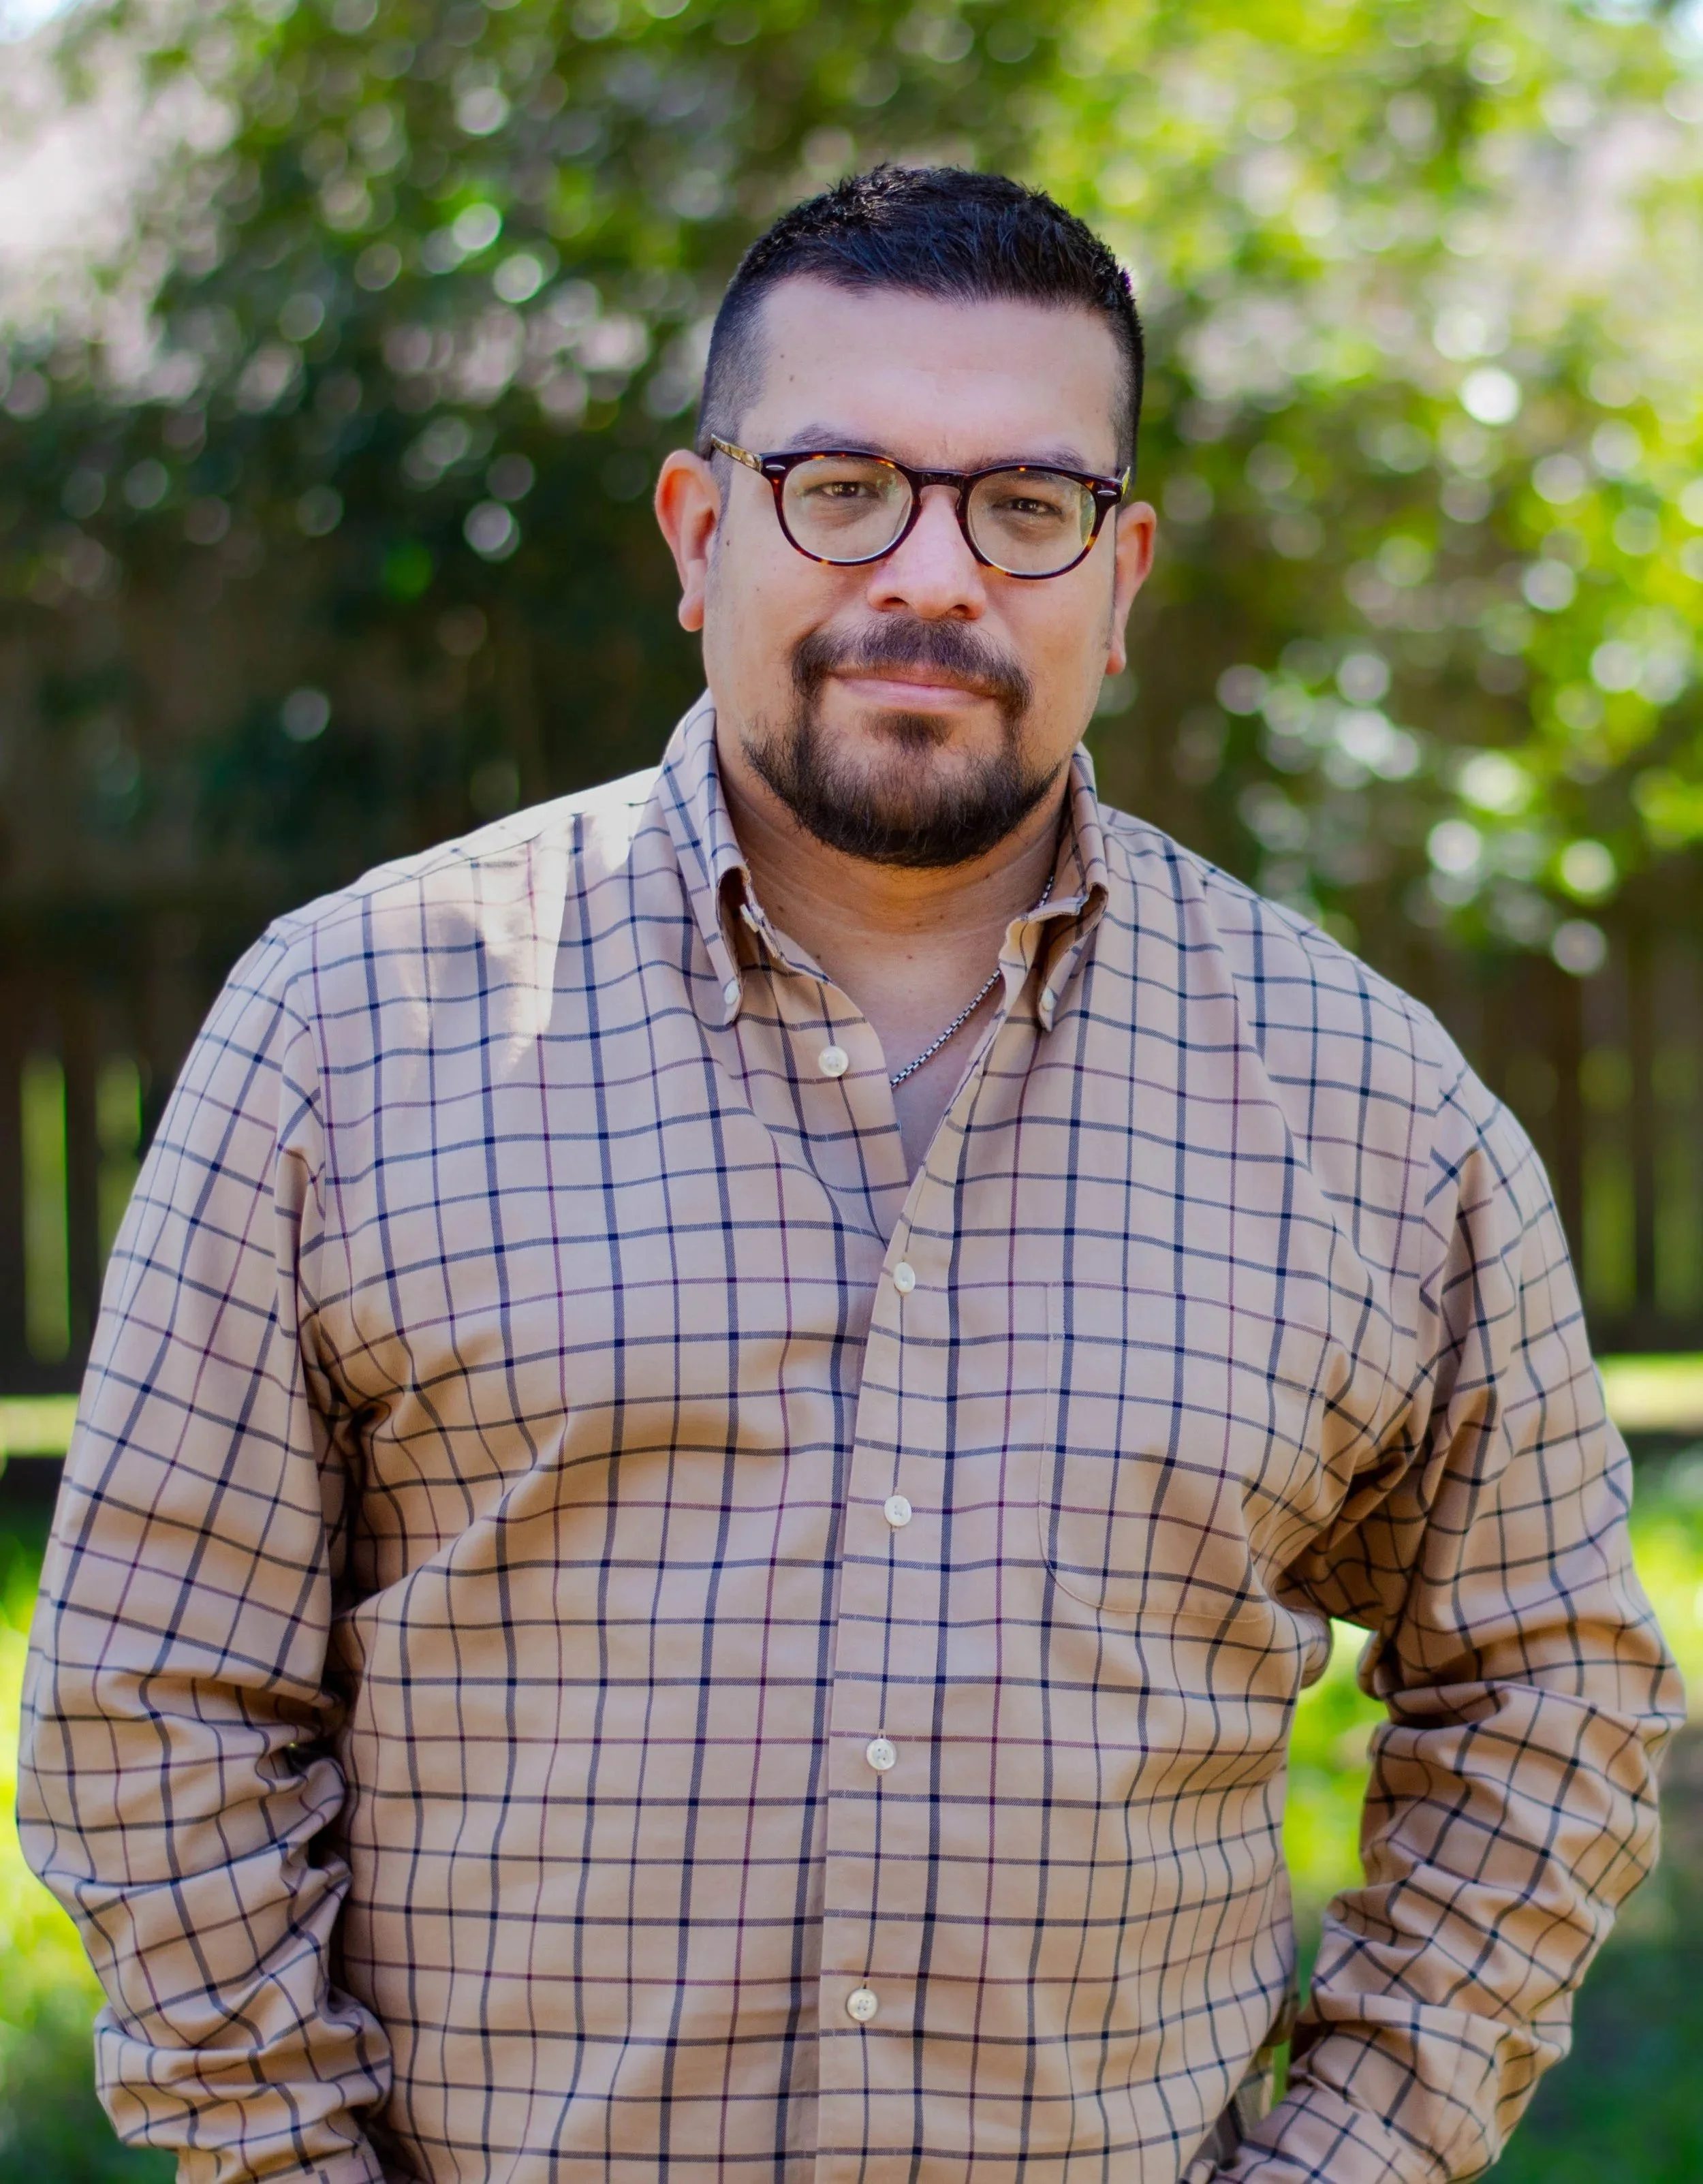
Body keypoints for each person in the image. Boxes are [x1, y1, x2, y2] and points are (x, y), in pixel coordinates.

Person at [20, 165, 1681, 2184]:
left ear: (1119, 569)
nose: (935, 571)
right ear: (699, 529)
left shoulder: (1367, 1108)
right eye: (841, 486)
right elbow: (156, 1696)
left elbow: (1543, 1697)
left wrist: (1347, 2155)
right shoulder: (347, 1027)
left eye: (1024, 505)